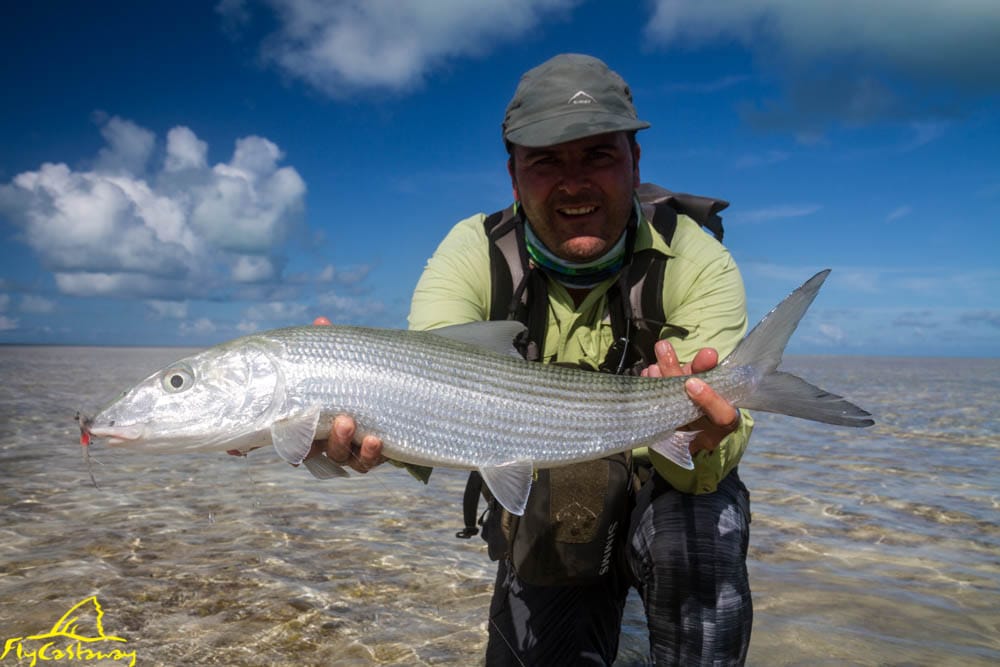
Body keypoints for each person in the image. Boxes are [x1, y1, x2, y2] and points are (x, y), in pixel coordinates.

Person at [313, 54, 754, 666]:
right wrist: (353, 422)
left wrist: (710, 432)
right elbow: (424, 401)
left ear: (635, 162)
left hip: (667, 488)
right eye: (546, 161)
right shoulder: (473, 252)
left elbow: (719, 437)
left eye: (598, 154)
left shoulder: (695, 259)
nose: (573, 182)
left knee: (702, 531)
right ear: (514, 176)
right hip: (553, 499)